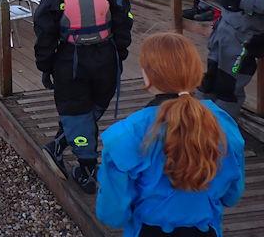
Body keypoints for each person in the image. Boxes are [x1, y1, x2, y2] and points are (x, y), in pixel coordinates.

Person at [96, 32, 245, 236]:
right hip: (204, 230)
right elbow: (231, 196)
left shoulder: (126, 135)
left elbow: (112, 214)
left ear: (148, 77)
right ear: (195, 72)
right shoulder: (223, 125)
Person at [33, 0, 133, 194]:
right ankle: (63, 149)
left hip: (71, 63)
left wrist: (45, 66)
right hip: (106, 61)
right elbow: (124, 24)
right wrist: (119, 53)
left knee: (77, 114)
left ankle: (86, 170)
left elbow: (45, 36)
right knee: (86, 113)